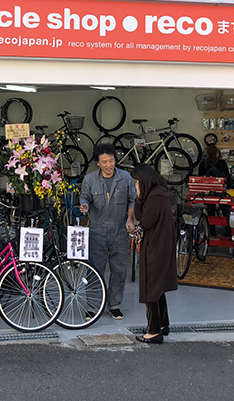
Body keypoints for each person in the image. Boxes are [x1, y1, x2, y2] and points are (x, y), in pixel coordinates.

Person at [80, 144, 136, 320]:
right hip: (97, 231)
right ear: (98, 163)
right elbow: (84, 197)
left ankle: (114, 305)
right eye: (104, 162)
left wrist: (130, 219)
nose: (109, 165)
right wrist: (84, 206)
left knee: (119, 270)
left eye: (111, 160)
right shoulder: (89, 179)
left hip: (120, 230)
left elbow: (132, 200)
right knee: (95, 270)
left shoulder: (125, 177)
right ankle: (93, 306)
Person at [130, 164, 178, 344]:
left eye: (137, 182)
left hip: (155, 247)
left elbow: (145, 220)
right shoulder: (160, 194)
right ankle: (162, 324)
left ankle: (153, 331)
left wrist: (139, 198)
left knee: (151, 287)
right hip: (161, 245)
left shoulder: (155, 198)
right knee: (158, 287)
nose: (136, 186)